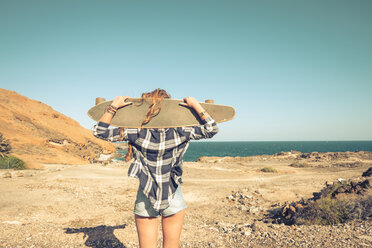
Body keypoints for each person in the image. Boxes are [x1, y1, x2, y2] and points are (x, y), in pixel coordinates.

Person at [92, 89, 218, 248]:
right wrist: (196, 106)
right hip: (173, 194)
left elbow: (99, 131)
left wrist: (113, 107)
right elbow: (212, 129)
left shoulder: (135, 132)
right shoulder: (181, 131)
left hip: (146, 195)